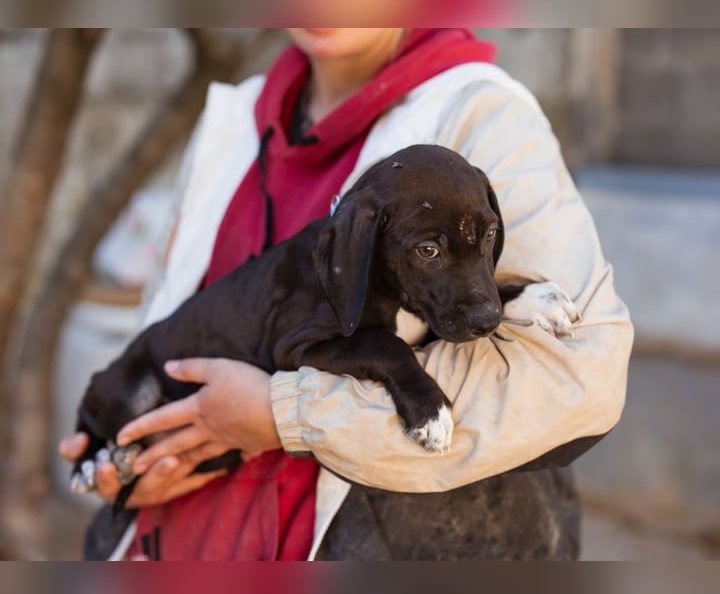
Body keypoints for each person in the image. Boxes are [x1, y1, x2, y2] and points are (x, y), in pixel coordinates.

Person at [59, 28, 633, 560]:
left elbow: (576, 379)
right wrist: (137, 463)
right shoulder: (232, 122)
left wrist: (282, 413)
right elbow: (168, 329)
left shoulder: (484, 115)